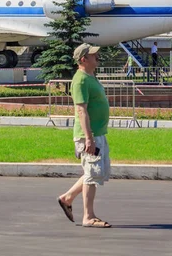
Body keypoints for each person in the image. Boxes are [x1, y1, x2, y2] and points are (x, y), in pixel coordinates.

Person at [58, 43, 112, 228]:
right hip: (89, 135)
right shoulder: (80, 80)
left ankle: (67, 198)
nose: (98, 56)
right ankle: (88, 217)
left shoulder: (90, 77)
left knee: (97, 173)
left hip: (98, 134)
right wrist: (88, 138)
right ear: (83, 59)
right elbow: (81, 111)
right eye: (93, 54)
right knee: (91, 175)